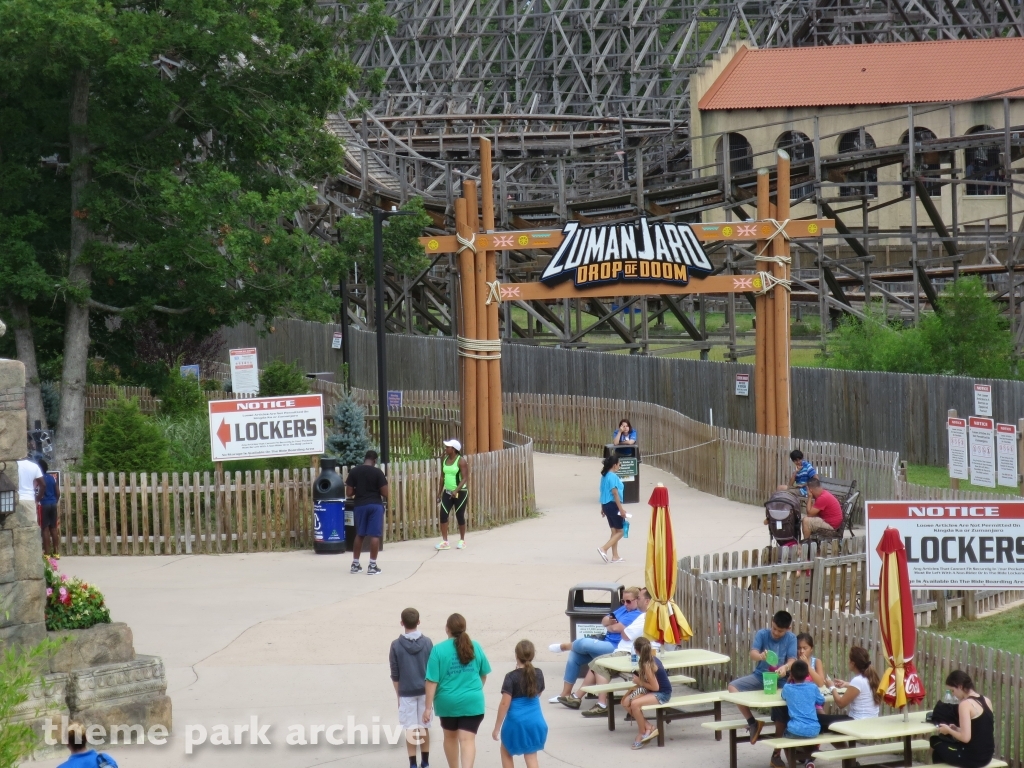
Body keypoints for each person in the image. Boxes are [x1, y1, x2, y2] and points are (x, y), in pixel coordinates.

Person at [549, 586, 644, 708]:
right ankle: (565, 693)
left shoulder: (636, 614)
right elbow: (604, 620)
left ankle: (565, 646)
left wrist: (609, 626)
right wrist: (609, 624)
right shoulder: (624, 609)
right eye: (623, 601)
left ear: (637, 600)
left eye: (628, 601)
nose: (625, 604)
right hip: (606, 642)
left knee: (585, 643)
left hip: (615, 647)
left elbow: (615, 628)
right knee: (575, 655)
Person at [728, 609, 797, 760]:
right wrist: (760, 656)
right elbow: (753, 654)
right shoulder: (762, 634)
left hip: (781, 680)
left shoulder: (791, 638)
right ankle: (752, 722)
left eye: (780, 631)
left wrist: (785, 668)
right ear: (771, 623)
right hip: (760, 676)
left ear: (788, 628)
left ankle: (776, 753)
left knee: (781, 711)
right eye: (774, 628)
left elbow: (792, 660)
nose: (776, 633)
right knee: (732, 687)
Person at [424, 613, 491, 768]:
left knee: (450, 738)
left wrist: (428, 708)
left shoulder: (438, 650)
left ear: (447, 628)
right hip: (472, 702)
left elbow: (432, 681)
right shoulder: (475, 646)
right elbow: (483, 674)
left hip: (447, 703)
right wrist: (474, 690)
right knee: (468, 740)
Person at [579, 588, 654, 718]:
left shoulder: (643, 617)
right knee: (594, 661)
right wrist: (614, 627)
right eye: (623, 601)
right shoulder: (636, 613)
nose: (626, 604)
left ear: (647, 601)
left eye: (638, 598)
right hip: (629, 653)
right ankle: (577, 697)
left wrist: (614, 627)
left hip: (630, 655)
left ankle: (601, 704)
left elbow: (624, 634)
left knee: (599, 663)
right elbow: (607, 622)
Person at [492, 640, 547, 768]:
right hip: (536, 721)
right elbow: (538, 693)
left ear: (516, 655)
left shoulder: (511, 677)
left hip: (516, 723)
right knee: (531, 756)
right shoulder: (538, 673)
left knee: (506, 751)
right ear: (532, 655)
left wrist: (497, 728)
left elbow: (505, 704)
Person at [391, 607, 434, 768]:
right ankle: (425, 762)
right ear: (419, 622)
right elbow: (432, 670)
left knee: (410, 729)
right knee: (424, 726)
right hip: (425, 691)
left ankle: (412, 763)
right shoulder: (428, 643)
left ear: (402, 623)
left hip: (406, 692)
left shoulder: (396, 645)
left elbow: (395, 674)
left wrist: (398, 695)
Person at [930, 670, 995, 768]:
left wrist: (948, 730)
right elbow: (980, 730)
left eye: (953, 690)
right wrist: (957, 729)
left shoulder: (965, 704)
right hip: (987, 756)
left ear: (960, 686)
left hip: (973, 757)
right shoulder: (986, 700)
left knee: (935, 743)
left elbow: (965, 738)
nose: (953, 694)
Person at [622, 636, 672, 750]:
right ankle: (649, 726)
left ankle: (642, 732)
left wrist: (638, 681)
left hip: (663, 693)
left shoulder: (648, 664)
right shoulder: (647, 659)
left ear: (636, 650)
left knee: (635, 704)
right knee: (625, 702)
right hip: (652, 690)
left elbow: (655, 687)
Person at [346, 450, 390, 575]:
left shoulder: (354, 471)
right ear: (375, 460)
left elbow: (349, 493)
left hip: (360, 505)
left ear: (364, 459)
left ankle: (355, 564)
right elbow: (385, 493)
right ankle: (372, 566)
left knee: (359, 534)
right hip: (375, 505)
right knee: (374, 535)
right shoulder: (378, 472)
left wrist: (358, 490)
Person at [779, 660, 825, 768]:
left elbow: (783, 696)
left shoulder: (787, 688)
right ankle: (809, 759)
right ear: (808, 674)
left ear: (791, 674)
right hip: (814, 729)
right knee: (807, 735)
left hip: (794, 730)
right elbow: (821, 700)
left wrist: (788, 681)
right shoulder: (813, 687)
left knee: (784, 736)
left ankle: (792, 764)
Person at [823, 645, 881, 729]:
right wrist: (845, 684)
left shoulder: (857, 680)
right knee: (824, 720)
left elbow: (841, 704)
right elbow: (862, 687)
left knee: (819, 720)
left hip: (858, 723)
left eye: (849, 660)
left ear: (853, 663)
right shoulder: (870, 677)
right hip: (869, 721)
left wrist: (831, 687)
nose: (848, 662)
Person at [435, 439, 470, 551]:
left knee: (459, 515)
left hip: (460, 493)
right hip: (447, 492)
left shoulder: (461, 461)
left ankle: (462, 540)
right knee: (443, 514)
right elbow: (442, 477)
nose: (446, 449)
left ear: (454, 449)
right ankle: (445, 541)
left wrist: (456, 490)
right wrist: (439, 492)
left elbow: (465, 478)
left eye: (448, 447)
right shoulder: (445, 460)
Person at [596, 455, 627, 563]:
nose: (619, 466)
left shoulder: (604, 476)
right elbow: (615, 493)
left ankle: (615, 556)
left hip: (606, 505)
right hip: (612, 505)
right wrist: (621, 509)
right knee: (621, 531)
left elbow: (602, 492)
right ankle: (604, 548)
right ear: (614, 465)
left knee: (614, 531)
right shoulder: (613, 476)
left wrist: (602, 507)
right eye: (619, 464)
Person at [37, 459, 60, 559]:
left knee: (45, 529)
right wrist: (55, 501)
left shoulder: (39, 478)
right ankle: (56, 553)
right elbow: (58, 493)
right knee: (54, 528)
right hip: (53, 503)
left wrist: (38, 499)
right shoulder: (52, 478)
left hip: (44, 504)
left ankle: (47, 553)